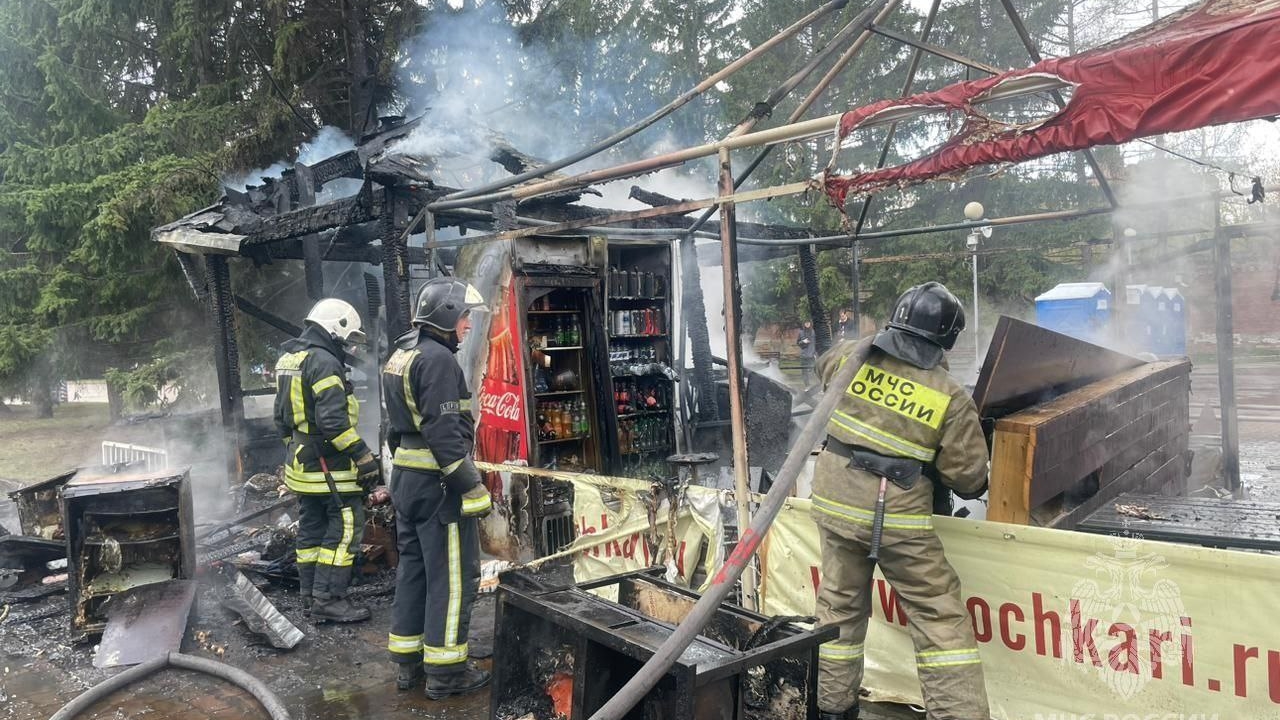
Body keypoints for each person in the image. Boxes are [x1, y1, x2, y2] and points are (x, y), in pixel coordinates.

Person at [812, 282, 990, 720]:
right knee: (939, 616)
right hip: (897, 521)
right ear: (946, 339)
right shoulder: (950, 395)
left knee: (839, 608)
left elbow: (824, 368)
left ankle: (832, 709)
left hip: (834, 504)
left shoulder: (852, 353)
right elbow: (968, 480)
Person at [383, 277, 494, 699]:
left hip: (408, 482)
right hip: (439, 487)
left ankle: (408, 665)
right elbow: (445, 433)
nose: (468, 324)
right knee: (451, 579)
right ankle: (447, 673)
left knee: (414, 571)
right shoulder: (439, 361)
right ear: (447, 315)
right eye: (465, 316)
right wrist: (471, 486)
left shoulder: (401, 354)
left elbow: (398, 428)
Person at [273, 298, 381, 623]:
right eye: (347, 338)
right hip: (327, 466)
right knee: (346, 526)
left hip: (301, 464)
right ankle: (329, 599)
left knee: (310, 531)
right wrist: (363, 457)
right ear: (335, 328)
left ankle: (309, 598)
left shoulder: (290, 357)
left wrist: (295, 450)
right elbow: (334, 422)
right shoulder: (324, 362)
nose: (347, 346)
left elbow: (280, 417)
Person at [798, 319, 817, 386]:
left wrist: (815, 353)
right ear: (804, 324)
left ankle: (816, 385)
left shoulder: (813, 332)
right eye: (806, 323)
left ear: (810, 323)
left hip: (811, 355)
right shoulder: (801, 332)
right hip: (804, 355)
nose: (807, 324)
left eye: (808, 323)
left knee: (814, 371)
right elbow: (798, 343)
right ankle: (807, 385)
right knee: (804, 371)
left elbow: (815, 343)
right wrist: (803, 341)